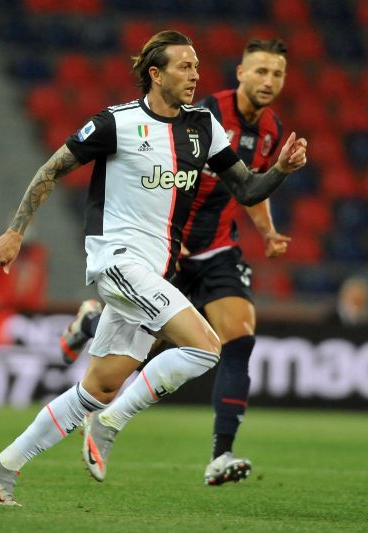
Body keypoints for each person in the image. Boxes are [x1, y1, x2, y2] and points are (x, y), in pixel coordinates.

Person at [0, 30, 307, 506]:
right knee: (207, 347)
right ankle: (111, 425)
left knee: (99, 388)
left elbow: (248, 191)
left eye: (196, 66)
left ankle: (2, 467)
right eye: (184, 67)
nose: (195, 75)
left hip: (156, 270)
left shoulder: (203, 128)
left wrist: (281, 171)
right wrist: (15, 231)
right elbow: (52, 168)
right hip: (118, 260)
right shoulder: (118, 123)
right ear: (155, 74)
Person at [60, 38, 292, 486]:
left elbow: (248, 184)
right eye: (260, 71)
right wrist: (169, 236)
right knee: (147, 350)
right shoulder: (202, 114)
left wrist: (266, 231)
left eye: (277, 74)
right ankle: (91, 323)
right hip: (174, 246)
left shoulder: (271, 130)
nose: (269, 81)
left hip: (220, 247)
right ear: (241, 73)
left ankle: (221, 455)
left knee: (237, 337)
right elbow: (167, 176)